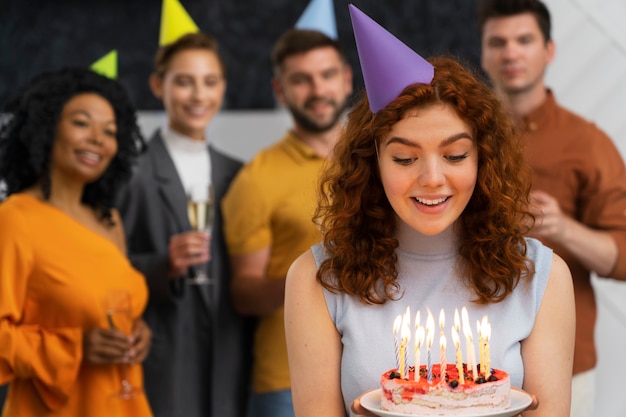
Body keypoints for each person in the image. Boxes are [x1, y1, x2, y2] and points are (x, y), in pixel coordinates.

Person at [284, 5, 575, 417]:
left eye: (455, 155)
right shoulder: (317, 281)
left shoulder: (539, 277)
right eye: (404, 159)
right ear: (372, 164)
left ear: (482, 160)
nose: (433, 178)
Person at [477, 1, 626, 415]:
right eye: (498, 42)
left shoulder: (588, 143)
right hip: (469, 357)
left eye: (524, 40)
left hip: (566, 362)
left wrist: (563, 228)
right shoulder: (459, 137)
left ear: (549, 50)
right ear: (483, 52)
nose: (511, 53)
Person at [0, 67, 152, 416]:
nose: (98, 138)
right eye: (82, 123)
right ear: (47, 127)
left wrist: (138, 330)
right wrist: (74, 347)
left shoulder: (109, 220)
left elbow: (109, 305)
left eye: (109, 131)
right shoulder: (15, 219)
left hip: (123, 402)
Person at [116, 32, 253, 417]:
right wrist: (163, 266)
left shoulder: (238, 173)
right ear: (158, 85)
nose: (198, 96)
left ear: (223, 87)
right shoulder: (131, 173)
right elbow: (105, 267)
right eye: (184, 82)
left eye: (210, 82)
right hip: (165, 357)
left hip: (229, 360)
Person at [221, 28, 353, 417]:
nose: (317, 89)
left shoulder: (384, 160)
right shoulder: (256, 178)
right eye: (301, 80)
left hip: (376, 368)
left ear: (346, 80)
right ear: (280, 91)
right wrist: (313, 276)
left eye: (327, 75)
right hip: (287, 381)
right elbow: (243, 294)